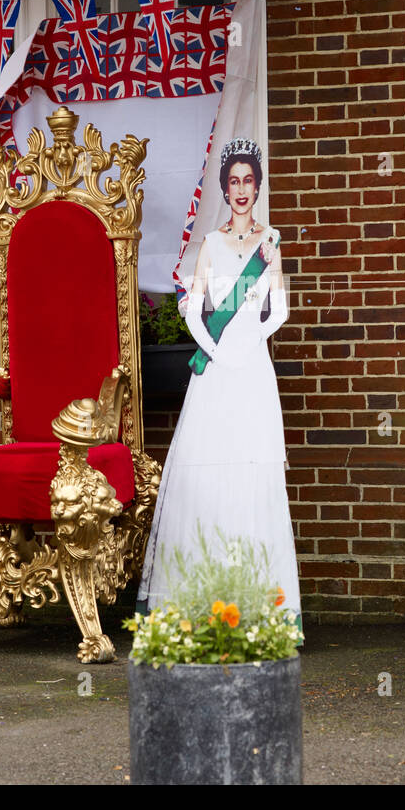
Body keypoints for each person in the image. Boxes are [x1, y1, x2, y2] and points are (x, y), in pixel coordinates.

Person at [137, 138, 301, 629]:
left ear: (258, 186)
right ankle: (202, 605)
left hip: (251, 369)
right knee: (207, 475)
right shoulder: (210, 243)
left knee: (252, 472)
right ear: (225, 189)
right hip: (216, 371)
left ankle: (258, 609)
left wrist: (247, 338)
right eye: (234, 181)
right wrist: (213, 347)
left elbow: (279, 310)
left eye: (249, 180)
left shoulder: (269, 244)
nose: (242, 190)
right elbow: (193, 305)